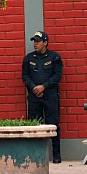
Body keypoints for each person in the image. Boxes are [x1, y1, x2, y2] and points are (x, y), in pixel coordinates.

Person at [22, 30, 63, 163]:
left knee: (53, 125)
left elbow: (57, 76)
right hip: (34, 97)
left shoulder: (54, 57)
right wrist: (34, 87)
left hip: (50, 96)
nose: (35, 44)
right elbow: (25, 76)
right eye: (34, 41)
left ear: (45, 42)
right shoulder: (29, 58)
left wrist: (43, 86)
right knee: (35, 126)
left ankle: (56, 156)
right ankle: (35, 157)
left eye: (38, 41)